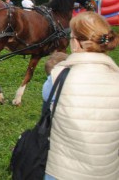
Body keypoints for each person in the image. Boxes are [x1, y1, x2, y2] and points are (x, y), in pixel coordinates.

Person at [44, 12, 119, 180]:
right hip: (107, 172)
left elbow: (47, 103)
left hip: (61, 172)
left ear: (76, 44)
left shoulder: (58, 77)